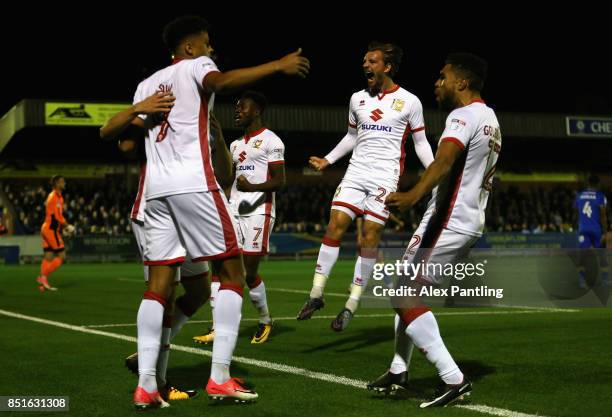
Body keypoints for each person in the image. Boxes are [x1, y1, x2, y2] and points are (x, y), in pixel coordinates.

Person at [104, 15, 308, 408]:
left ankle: (147, 385)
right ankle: (220, 377)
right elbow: (221, 82)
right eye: (207, 43)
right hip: (193, 184)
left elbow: (113, 130)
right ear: (190, 47)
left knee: (158, 287)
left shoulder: (147, 85)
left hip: (156, 195)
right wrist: (277, 66)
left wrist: (139, 111)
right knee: (232, 271)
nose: (211, 50)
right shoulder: (197, 66)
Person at [366, 52, 499, 408]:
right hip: (467, 218)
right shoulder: (490, 118)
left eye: (443, 77)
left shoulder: (463, 115)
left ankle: (453, 378)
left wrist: (412, 195)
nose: (437, 83)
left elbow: (444, 161)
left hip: (448, 218)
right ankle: (398, 370)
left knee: (403, 296)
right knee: (407, 291)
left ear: (462, 82)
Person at [297, 42, 434, 331]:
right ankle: (316, 293)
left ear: (387, 66)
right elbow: (351, 136)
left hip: (385, 178)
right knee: (335, 225)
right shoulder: (356, 99)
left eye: (372, 61)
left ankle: (352, 302)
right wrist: (328, 159)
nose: (365, 65)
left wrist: (435, 173)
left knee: (369, 236)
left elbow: (420, 143)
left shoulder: (410, 102)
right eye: (364, 61)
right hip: (356, 173)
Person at [193, 91, 284, 345]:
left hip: (258, 212)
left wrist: (252, 188)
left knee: (249, 272)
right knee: (219, 266)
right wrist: (218, 139)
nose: (237, 111)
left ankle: (265, 320)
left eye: (242, 107)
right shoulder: (234, 145)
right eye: (236, 107)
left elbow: (280, 181)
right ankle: (216, 327)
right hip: (234, 210)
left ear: (257, 111)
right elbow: (225, 179)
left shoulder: (272, 141)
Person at [37, 175, 74, 291]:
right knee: (62, 256)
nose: (64, 183)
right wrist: (67, 226)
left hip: (47, 228)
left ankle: (43, 284)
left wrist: (63, 227)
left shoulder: (56, 196)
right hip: (50, 230)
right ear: (57, 184)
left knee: (48, 257)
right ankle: (43, 277)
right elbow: (57, 216)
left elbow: (56, 215)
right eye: (62, 182)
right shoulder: (54, 197)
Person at [575, 174, 608, 288]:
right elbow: (603, 216)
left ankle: (582, 281)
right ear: (598, 184)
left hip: (583, 229)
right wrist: (605, 231)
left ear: (588, 183)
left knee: (582, 256)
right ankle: (605, 280)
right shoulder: (600, 196)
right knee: (602, 255)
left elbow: (577, 212)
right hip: (596, 230)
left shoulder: (579, 195)